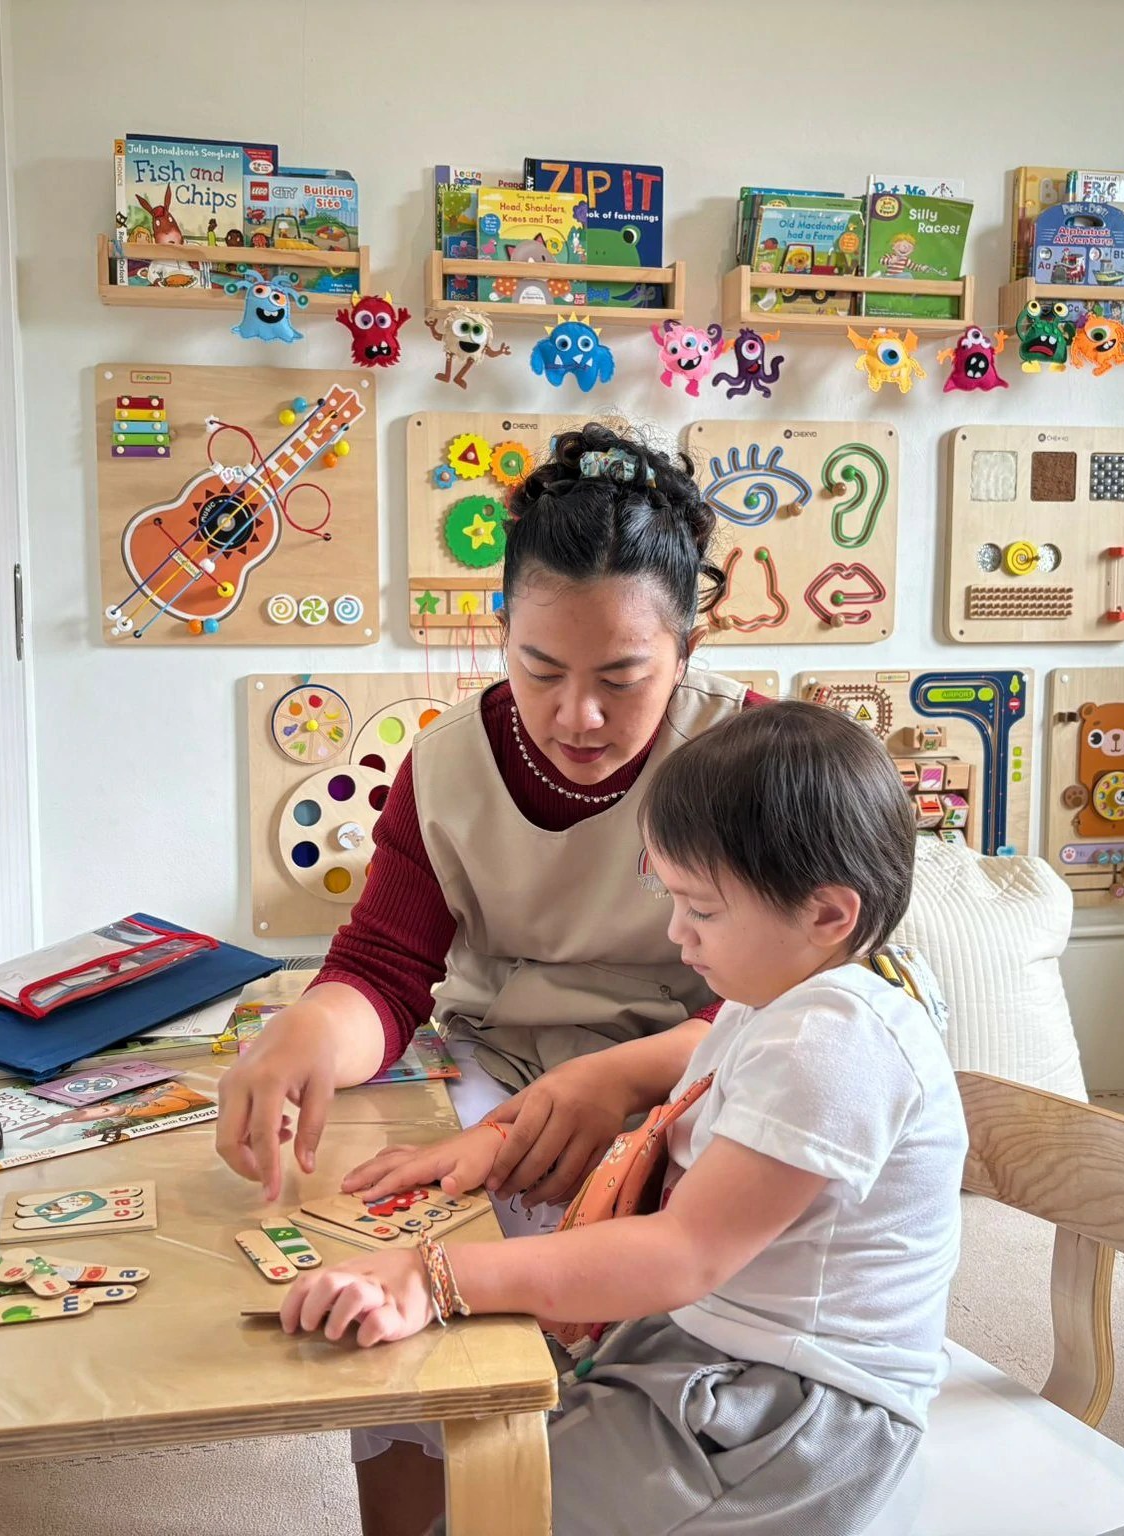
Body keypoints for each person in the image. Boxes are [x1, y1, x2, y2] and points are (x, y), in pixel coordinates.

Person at [215, 422, 764, 1530]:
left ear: (689, 649)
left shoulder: (750, 758)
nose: (577, 716)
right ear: (498, 632)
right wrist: (309, 1031)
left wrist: (620, 1079)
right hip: (496, 1064)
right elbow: (383, 969)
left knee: (675, 1294)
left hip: (701, 1066)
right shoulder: (447, 761)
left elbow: (797, 998)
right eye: (538, 669)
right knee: (397, 1242)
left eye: (623, 678)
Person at [281, 702, 969, 1536]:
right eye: (670, 898)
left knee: (491, 1517)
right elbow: (677, 1115)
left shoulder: (834, 1040)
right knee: (452, 1422)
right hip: (710, 1346)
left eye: (702, 910)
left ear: (828, 914)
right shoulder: (784, 998)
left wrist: (436, 1275)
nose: (678, 935)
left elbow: (683, 1252)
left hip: (791, 1410)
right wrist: (495, 1138)